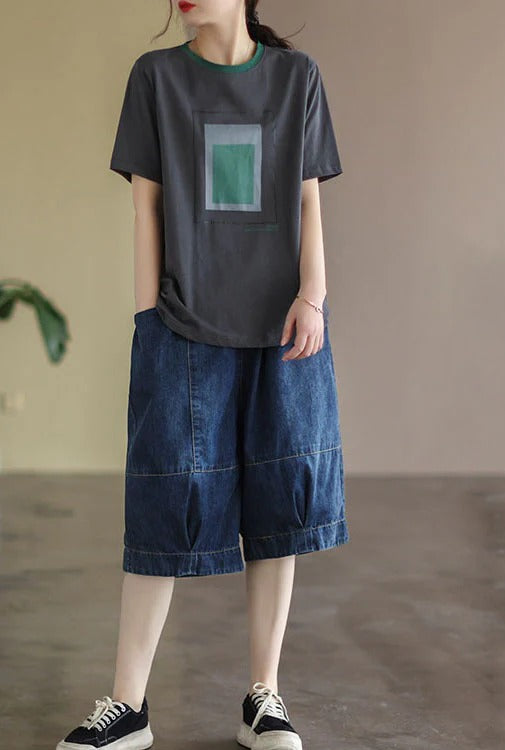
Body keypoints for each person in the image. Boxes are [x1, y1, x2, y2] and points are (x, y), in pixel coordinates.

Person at [56, 1, 349, 748]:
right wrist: (148, 321)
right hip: (182, 325)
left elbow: (309, 198)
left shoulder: (297, 78)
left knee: (280, 508)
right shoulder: (155, 78)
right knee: (160, 503)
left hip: (284, 328)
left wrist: (313, 296)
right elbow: (145, 210)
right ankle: (128, 706)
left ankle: (264, 698)